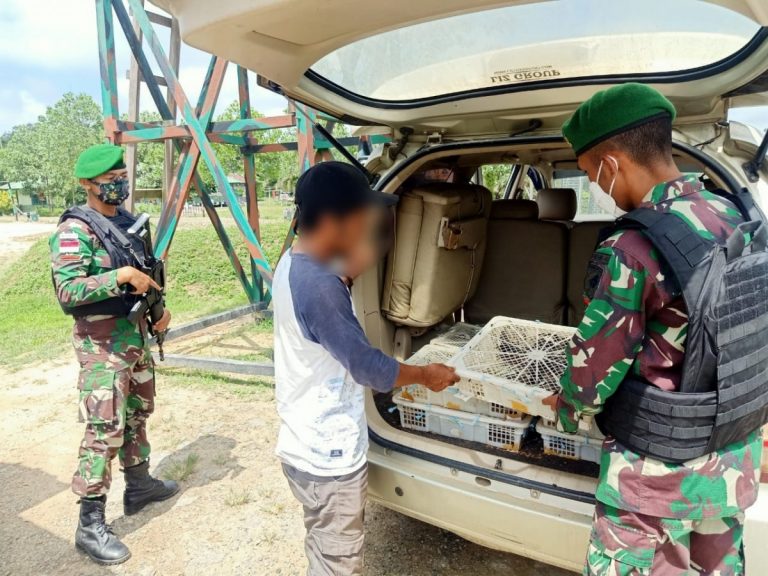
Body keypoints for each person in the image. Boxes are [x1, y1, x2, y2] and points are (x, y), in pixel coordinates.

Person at [544, 83, 763, 575]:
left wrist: (563, 410)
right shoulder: (735, 216)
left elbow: (592, 372)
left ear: (612, 163)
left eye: (590, 173)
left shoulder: (633, 248)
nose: (598, 187)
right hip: (730, 463)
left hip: (655, 478)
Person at [273, 161, 459, 576]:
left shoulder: (294, 263)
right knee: (337, 561)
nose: (366, 225)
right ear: (336, 221)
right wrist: (426, 375)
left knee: (323, 544)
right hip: (328, 455)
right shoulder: (321, 288)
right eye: (362, 216)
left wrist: (357, 266)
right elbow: (368, 368)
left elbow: (328, 294)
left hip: (303, 442)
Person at [50, 143, 178, 565]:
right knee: (104, 428)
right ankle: (89, 524)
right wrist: (117, 276)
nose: (120, 185)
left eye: (123, 176)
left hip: (135, 337)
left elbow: (149, 273)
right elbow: (68, 291)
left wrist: (159, 313)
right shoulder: (75, 231)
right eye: (110, 181)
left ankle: (139, 485)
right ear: (88, 185)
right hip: (101, 344)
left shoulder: (127, 223)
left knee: (139, 412)